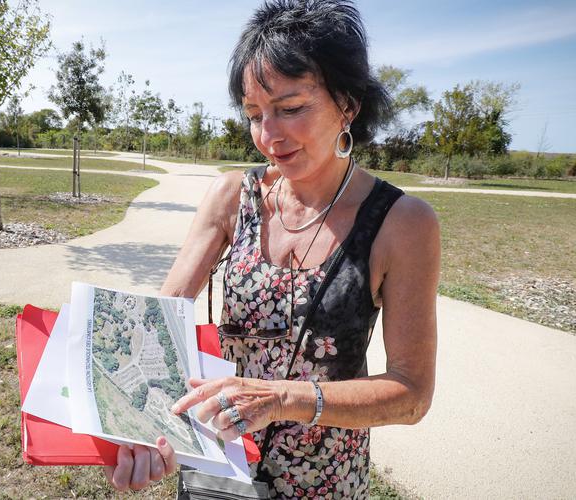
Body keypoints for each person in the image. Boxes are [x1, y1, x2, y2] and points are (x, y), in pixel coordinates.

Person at [104, 0, 439, 497]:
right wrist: (137, 428)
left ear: (348, 103)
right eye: (254, 115)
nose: (268, 136)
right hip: (220, 469)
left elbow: (411, 394)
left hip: (322, 480)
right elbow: (160, 319)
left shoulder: (401, 222)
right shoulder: (231, 196)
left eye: (290, 108)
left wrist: (282, 397)